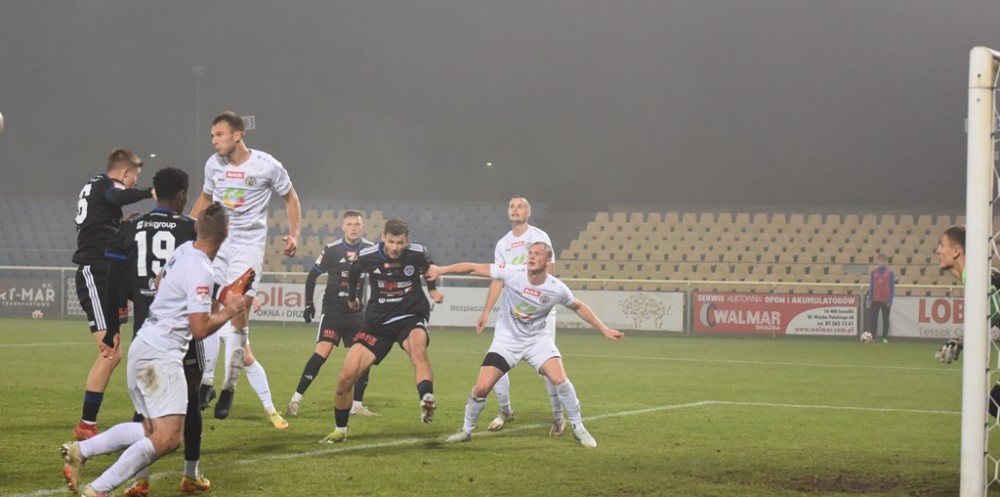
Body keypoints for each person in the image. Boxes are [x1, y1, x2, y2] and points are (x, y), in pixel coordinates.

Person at [61, 203, 249, 497]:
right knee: (168, 438)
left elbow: (160, 281)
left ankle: (81, 451)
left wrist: (221, 296)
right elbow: (200, 329)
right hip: (161, 357)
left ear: (197, 227)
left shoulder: (184, 251)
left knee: (151, 429)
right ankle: (98, 489)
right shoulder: (201, 267)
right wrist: (230, 310)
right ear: (226, 234)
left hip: (144, 347)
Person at [425, 241, 624, 448]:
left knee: (561, 380)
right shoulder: (512, 273)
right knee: (481, 388)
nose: (532, 256)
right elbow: (474, 268)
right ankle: (466, 431)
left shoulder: (556, 288)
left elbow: (579, 307)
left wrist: (604, 329)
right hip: (507, 340)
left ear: (548, 261)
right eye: (530, 253)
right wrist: (441, 270)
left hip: (537, 341)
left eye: (538, 254)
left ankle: (578, 428)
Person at [102, 167, 210, 495]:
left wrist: (111, 327)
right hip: (181, 332)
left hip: (146, 332)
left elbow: (112, 280)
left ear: (155, 192)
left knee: (145, 405)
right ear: (181, 195)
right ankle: (190, 474)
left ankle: (141, 479)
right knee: (190, 399)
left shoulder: (131, 226)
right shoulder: (191, 228)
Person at [189, 111, 300, 429]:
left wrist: (294, 234)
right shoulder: (213, 165)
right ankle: (207, 382)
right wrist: (186, 228)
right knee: (206, 307)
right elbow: (205, 197)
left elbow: (290, 198)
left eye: (219, 134)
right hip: (218, 244)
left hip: (248, 249)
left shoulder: (267, 165)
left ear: (237, 135)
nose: (214, 141)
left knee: (238, 314)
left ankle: (229, 386)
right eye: (212, 135)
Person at [320, 218, 444, 443]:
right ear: (383, 238)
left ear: (407, 241)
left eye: (400, 243)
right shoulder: (368, 256)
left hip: (409, 315)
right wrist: (352, 298)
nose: (396, 247)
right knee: (346, 377)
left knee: (418, 351)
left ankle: (426, 398)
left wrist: (433, 290)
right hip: (377, 323)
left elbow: (430, 270)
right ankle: (340, 430)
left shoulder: (417, 252)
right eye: (391, 242)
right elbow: (355, 273)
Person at [71, 148, 154, 441]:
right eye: (135, 177)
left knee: (119, 348)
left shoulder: (96, 187)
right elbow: (117, 196)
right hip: (95, 272)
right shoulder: (107, 185)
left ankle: (150, 410)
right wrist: (150, 192)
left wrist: (120, 226)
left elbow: (102, 221)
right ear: (126, 172)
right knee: (110, 352)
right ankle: (86, 425)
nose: (135, 182)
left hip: (110, 270)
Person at [476, 196, 565, 435]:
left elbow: (551, 273)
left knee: (547, 367)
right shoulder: (502, 244)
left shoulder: (539, 237)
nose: (515, 210)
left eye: (520, 207)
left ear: (529, 212)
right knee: (496, 361)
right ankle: (505, 410)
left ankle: (558, 416)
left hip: (539, 315)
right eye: (512, 207)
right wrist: (486, 311)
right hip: (510, 315)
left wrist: (541, 304)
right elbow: (498, 279)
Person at [286, 210, 378, 417]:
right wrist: (309, 304)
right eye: (350, 224)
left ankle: (356, 405)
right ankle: (295, 400)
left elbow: (378, 279)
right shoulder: (332, 249)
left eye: (357, 224)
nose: (353, 228)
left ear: (362, 227)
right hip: (334, 311)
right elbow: (312, 276)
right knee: (322, 353)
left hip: (357, 313)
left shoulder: (370, 250)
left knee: (365, 357)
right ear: (343, 227)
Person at [933, 225, 1000, 417]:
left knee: (994, 404)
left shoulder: (978, 276)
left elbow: (993, 313)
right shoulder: (980, 275)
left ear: (956, 251)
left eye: (941, 245)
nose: (937, 251)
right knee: (994, 404)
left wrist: (961, 341)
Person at [867, 253, 895, 344]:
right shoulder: (873, 272)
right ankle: (872, 337)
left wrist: (890, 300)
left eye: (883, 261)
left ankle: (884, 337)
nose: (881, 262)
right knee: (873, 319)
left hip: (885, 300)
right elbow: (871, 286)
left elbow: (892, 287)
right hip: (875, 299)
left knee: (885, 319)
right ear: (877, 261)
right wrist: (869, 298)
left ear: (886, 262)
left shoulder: (890, 273)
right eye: (880, 260)